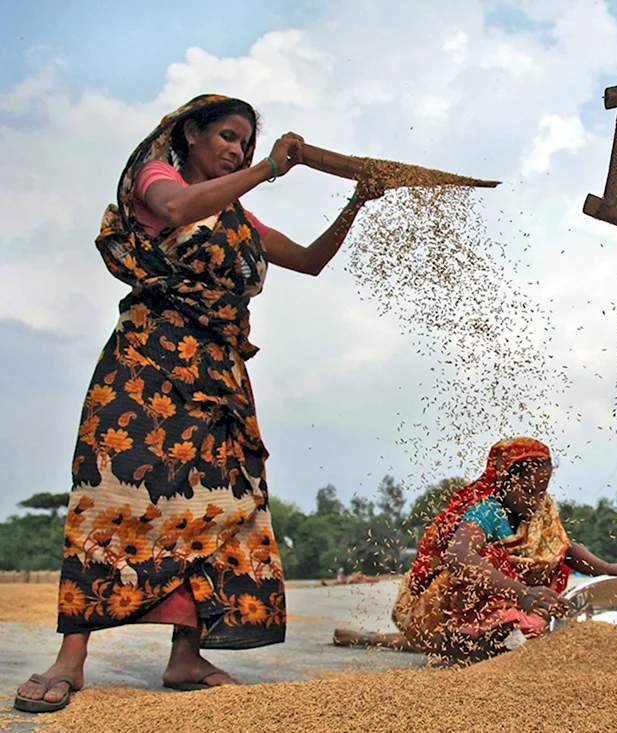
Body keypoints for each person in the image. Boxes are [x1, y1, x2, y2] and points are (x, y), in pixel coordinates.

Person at [14, 94, 383, 713]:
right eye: (228, 137)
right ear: (190, 133)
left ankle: (186, 657)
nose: (235, 149)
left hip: (218, 374)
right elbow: (178, 207)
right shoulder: (159, 180)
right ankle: (70, 659)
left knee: (222, 503)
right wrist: (269, 166)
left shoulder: (238, 218)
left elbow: (311, 262)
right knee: (111, 495)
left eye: (244, 142)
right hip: (146, 367)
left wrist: (355, 202)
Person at [337, 437, 617, 662]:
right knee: (488, 561)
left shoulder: (542, 511)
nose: (535, 500)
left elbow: (563, 549)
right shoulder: (486, 511)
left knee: (526, 586)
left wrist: (607, 569)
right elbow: (458, 557)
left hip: (501, 608)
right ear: (505, 482)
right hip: (441, 610)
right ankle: (465, 645)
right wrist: (522, 593)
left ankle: (378, 639)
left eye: (541, 491)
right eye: (528, 491)